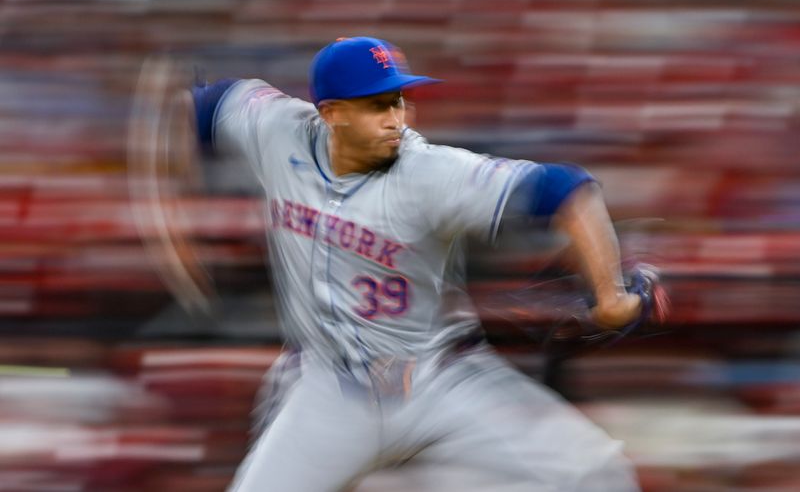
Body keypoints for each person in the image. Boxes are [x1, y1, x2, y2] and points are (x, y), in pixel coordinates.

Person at [189, 36, 650, 491]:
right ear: (331, 113)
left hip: (437, 380)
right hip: (329, 391)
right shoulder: (274, 127)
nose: (397, 120)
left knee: (596, 474)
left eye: (400, 101)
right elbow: (202, 104)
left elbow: (570, 190)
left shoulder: (430, 173)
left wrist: (610, 295)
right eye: (378, 105)